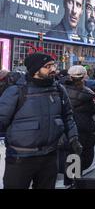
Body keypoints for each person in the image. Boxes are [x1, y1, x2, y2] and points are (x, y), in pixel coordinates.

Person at [0, 53, 81, 189]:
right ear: (35, 70)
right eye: (47, 66)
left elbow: (68, 116)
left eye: (53, 65)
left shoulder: (59, 90)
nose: (53, 69)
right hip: (20, 158)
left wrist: (73, 138)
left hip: (49, 156)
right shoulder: (17, 91)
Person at [64, 66, 95, 171]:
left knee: (69, 158)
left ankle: (70, 181)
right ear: (84, 77)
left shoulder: (61, 90)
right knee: (81, 159)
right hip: (84, 128)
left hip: (67, 128)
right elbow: (92, 110)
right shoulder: (87, 94)